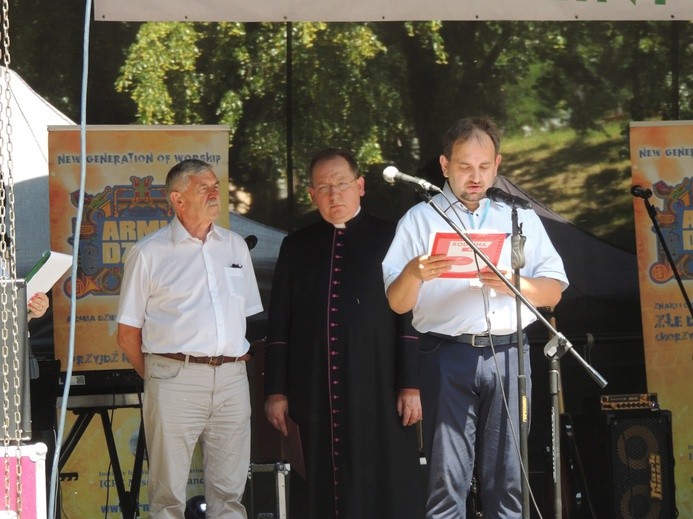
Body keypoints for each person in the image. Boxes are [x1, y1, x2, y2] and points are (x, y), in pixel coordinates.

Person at [382, 117, 568, 518]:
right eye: (465, 166)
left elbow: (554, 290)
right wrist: (413, 272)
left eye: (484, 167)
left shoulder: (519, 217)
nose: (475, 176)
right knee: (446, 478)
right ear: (445, 165)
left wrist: (514, 283)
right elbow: (397, 303)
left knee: (507, 477)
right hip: (445, 355)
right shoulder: (420, 219)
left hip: (509, 353)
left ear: (497, 164)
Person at [264, 148, 426, 518]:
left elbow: (410, 317)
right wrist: (275, 390)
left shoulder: (392, 237)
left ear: (361, 185)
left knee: (383, 480)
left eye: (341, 184)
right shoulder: (296, 246)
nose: (334, 194)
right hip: (313, 388)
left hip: (379, 383)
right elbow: (279, 325)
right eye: (324, 187)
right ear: (311, 195)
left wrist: (410, 384)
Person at [116, 158, 263, 519]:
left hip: (231, 379)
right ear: (178, 200)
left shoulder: (234, 247)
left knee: (230, 494)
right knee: (168, 497)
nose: (216, 194)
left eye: (216, 186)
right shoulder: (148, 253)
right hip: (174, 378)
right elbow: (126, 334)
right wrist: (159, 375)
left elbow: (246, 316)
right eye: (204, 188)